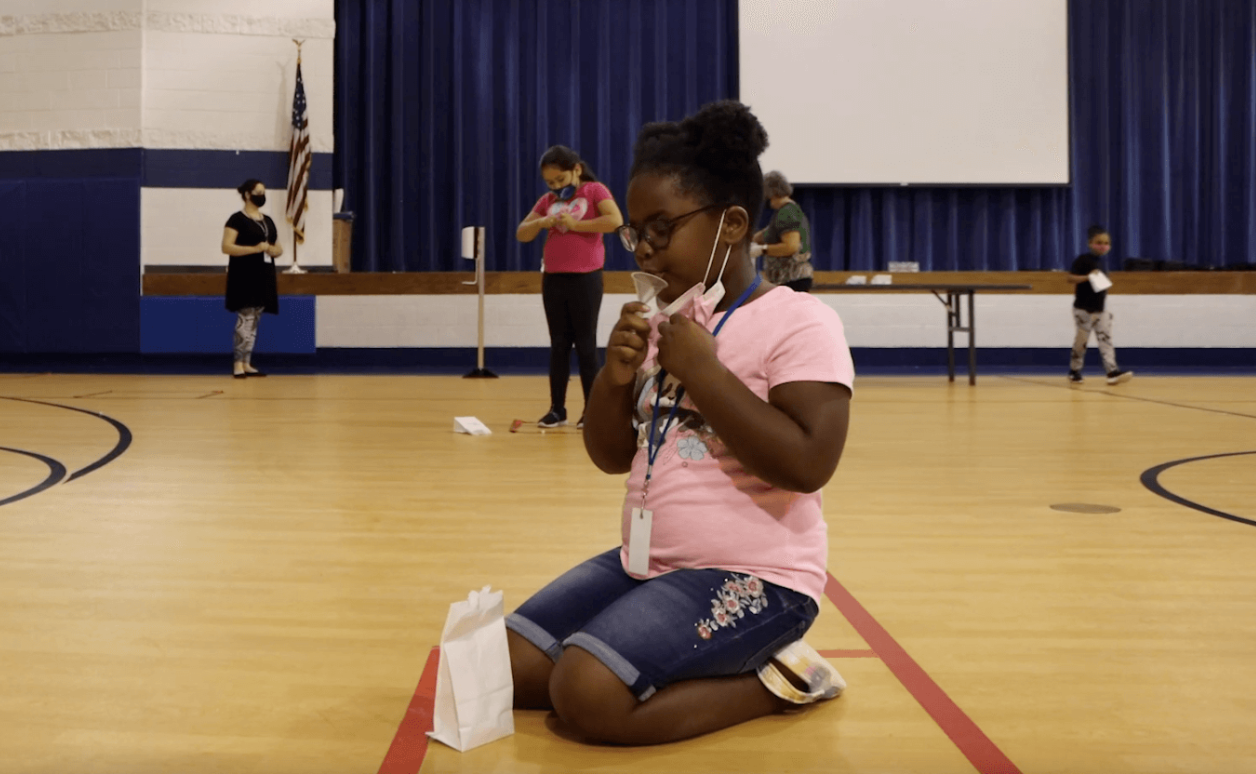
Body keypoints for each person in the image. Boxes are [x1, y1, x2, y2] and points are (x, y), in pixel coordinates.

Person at [505, 101, 855, 745]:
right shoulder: (668, 320)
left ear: (733, 225)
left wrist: (707, 374)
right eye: (636, 232)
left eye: (663, 227)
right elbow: (611, 457)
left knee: (585, 693)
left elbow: (809, 464)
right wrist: (613, 380)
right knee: (507, 667)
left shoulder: (800, 321)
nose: (645, 249)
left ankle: (781, 678)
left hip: (759, 578)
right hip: (650, 561)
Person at [516, 146, 624, 428]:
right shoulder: (548, 200)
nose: (555, 187)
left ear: (576, 170)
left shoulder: (594, 191)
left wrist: (576, 225)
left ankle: (592, 410)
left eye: (560, 180)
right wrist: (541, 221)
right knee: (559, 345)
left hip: (585, 278)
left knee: (586, 345)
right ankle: (557, 409)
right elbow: (522, 233)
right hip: (554, 278)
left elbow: (615, 221)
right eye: (550, 183)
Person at [222, 179, 282, 378]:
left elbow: (278, 247)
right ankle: (237, 363)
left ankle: (247, 362)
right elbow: (226, 247)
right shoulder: (236, 220)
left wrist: (273, 250)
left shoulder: (268, 221)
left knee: (255, 319)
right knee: (245, 318)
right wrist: (254, 249)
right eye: (258, 192)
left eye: (264, 192)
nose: (261, 195)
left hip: (264, 274)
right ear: (248, 194)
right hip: (244, 275)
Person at [1066, 225, 1132, 385]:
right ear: (1090, 243)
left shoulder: (1103, 262)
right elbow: (1070, 278)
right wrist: (1087, 277)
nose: (1103, 246)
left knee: (1106, 340)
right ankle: (1075, 370)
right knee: (1081, 342)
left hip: (1100, 308)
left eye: (1106, 243)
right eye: (1099, 242)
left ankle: (1112, 371)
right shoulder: (1083, 260)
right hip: (1083, 308)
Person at [751, 170, 814, 292]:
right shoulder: (786, 212)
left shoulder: (787, 212)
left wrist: (762, 250)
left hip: (792, 279)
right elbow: (766, 234)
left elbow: (791, 246)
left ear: (771, 191)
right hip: (789, 280)